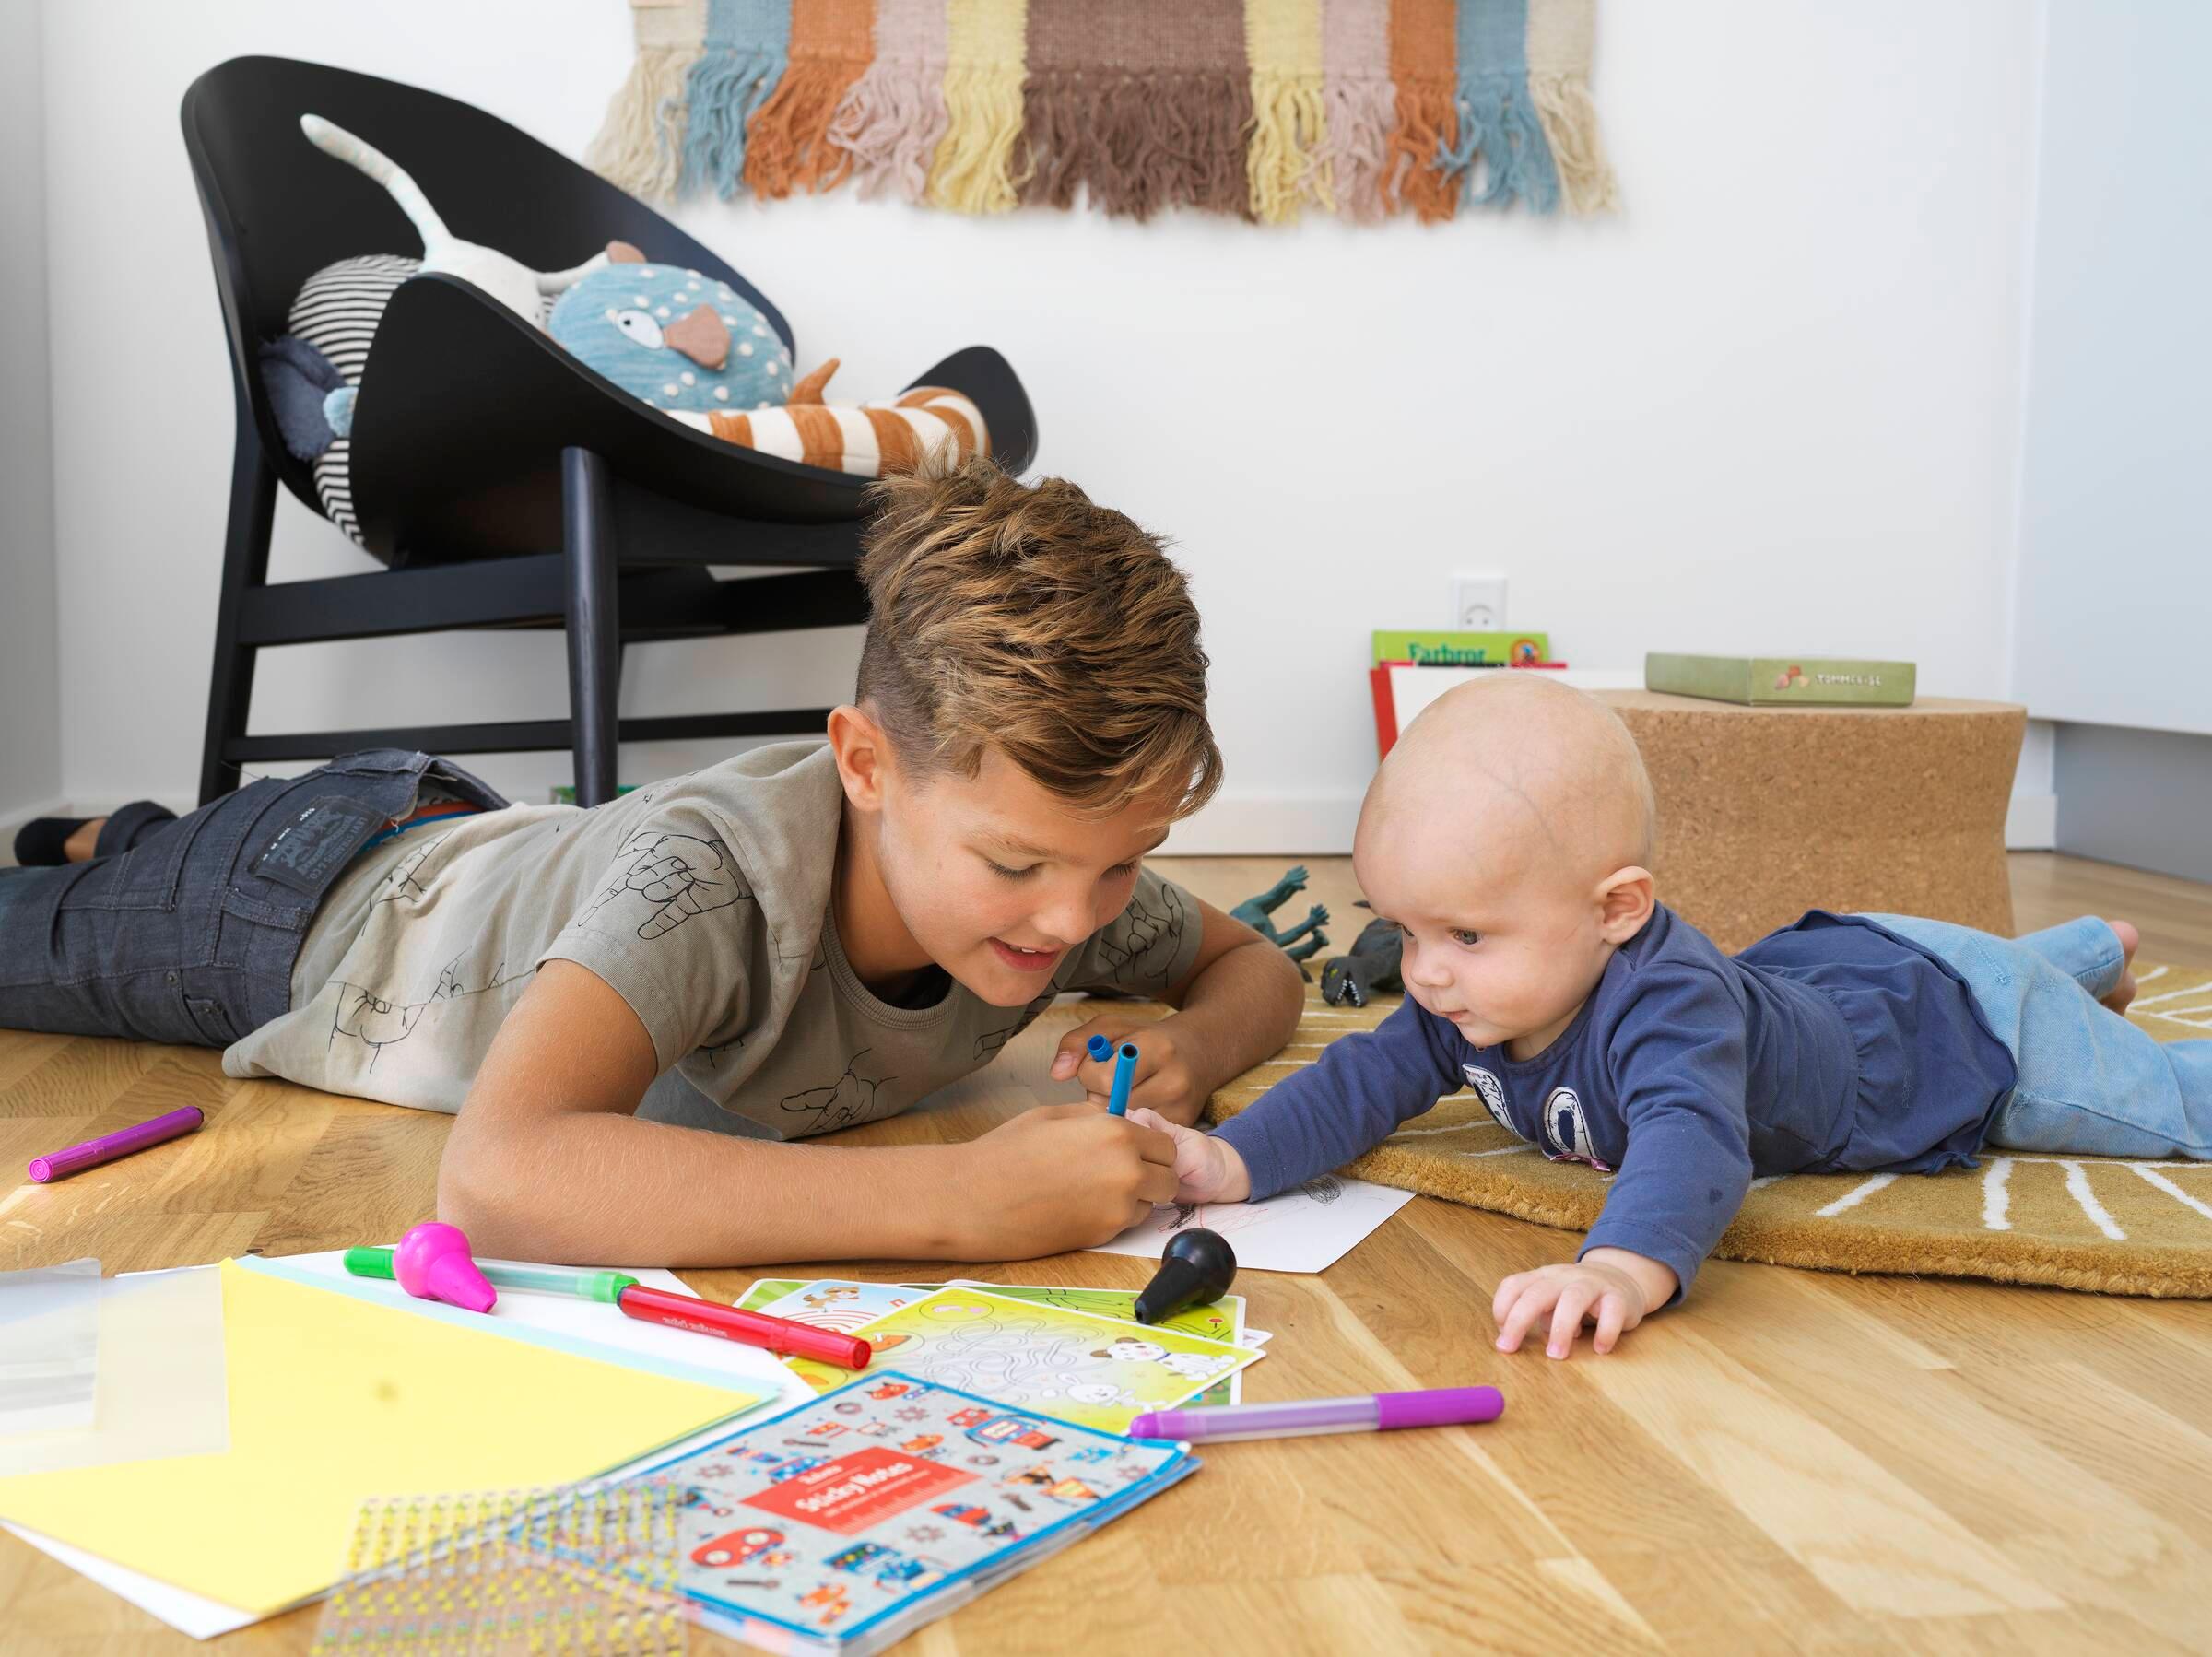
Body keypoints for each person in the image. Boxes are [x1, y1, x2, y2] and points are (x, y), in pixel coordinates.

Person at [0, 461, 1305, 1265]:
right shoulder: (716, 883)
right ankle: (122, 846)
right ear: (864, 765)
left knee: (140, 852)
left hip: (475, 839)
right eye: (1017, 864)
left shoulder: (1059, 874)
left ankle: (120, 829)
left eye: (1122, 865)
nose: (1073, 919)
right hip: (297, 907)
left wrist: (1193, 1048)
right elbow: (498, 1179)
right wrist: (959, 1195)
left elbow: (1256, 966)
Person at [1135, 673, 2204, 1359]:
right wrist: (1230, 1160)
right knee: (1978, 966)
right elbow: (1358, 1081)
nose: (1424, 974)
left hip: (1930, 1035)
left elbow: (1694, 1137)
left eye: (1463, 935)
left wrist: (1618, 1263)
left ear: (1617, 911)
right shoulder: (1459, 997)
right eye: (1402, 931)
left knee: (2130, 1094)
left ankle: (2061, 980)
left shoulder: (1671, 1006)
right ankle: (2087, 952)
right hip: (1843, 966)